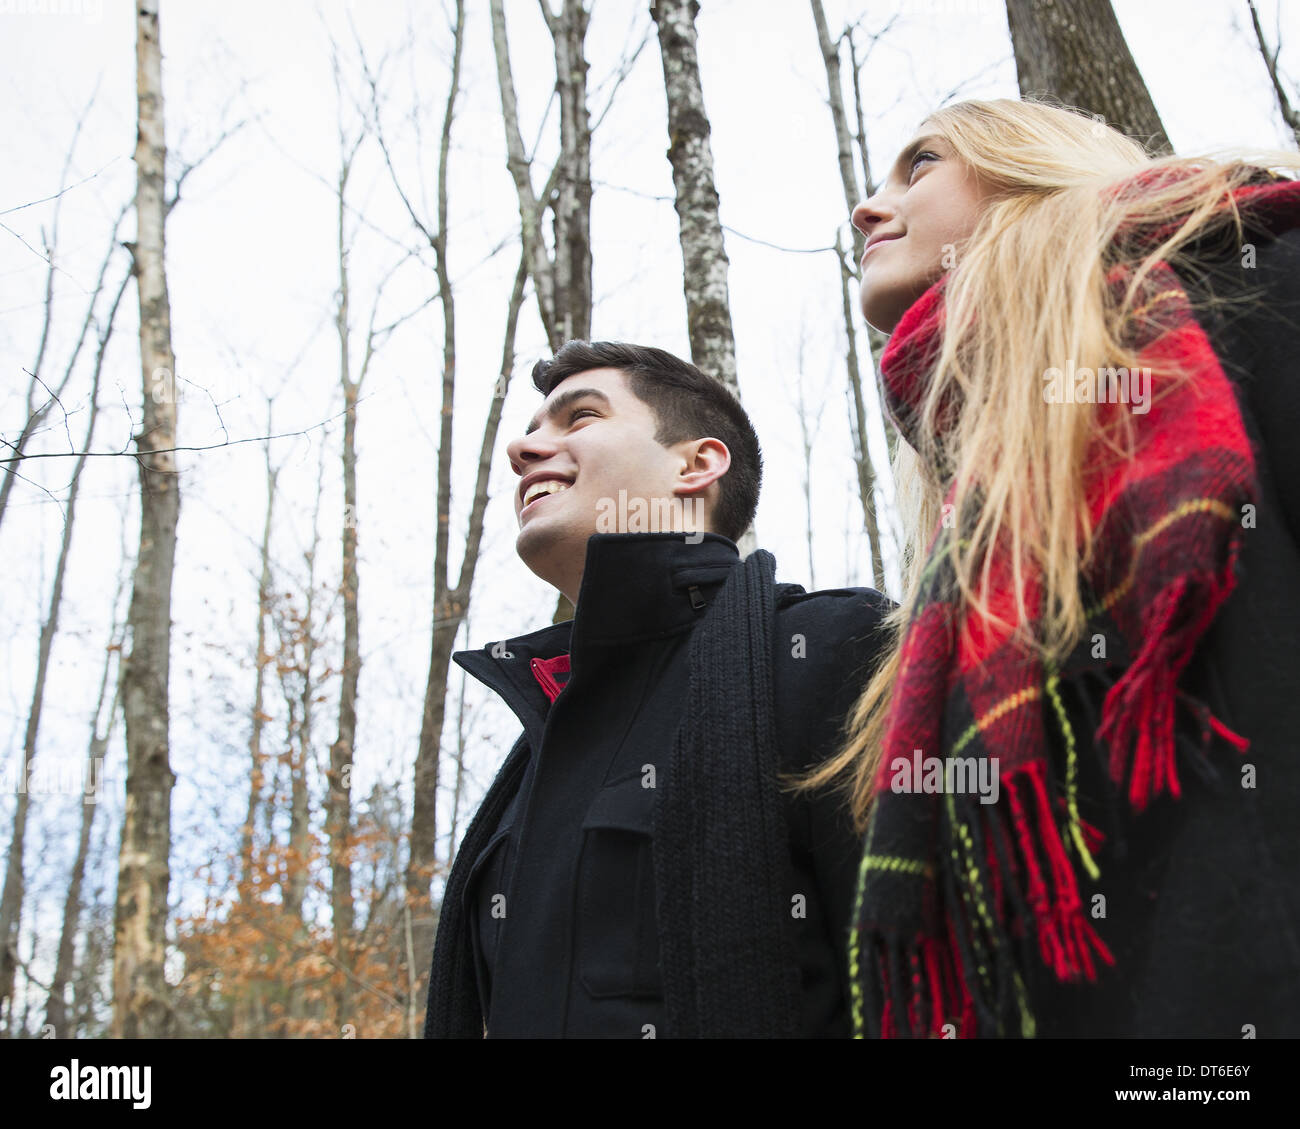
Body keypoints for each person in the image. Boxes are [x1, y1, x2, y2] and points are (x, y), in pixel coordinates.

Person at [805, 97, 1300, 1037]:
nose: (867, 210)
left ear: (1036, 166)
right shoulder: (967, 533)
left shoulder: (1254, 282)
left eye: (919, 167)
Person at [422, 341, 892, 1038]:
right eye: (529, 431)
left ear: (696, 464)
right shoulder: (535, 748)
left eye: (577, 417)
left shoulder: (831, 648)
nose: (524, 449)